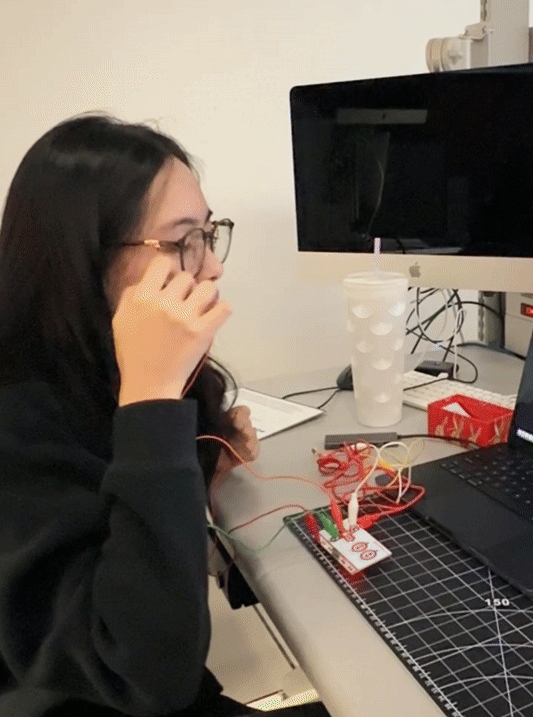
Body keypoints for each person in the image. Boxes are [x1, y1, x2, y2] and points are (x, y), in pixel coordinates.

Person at [0, 115, 329, 716]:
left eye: (209, 232)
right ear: (82, 259)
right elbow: (148, 674)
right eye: (182, 241)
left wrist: (199, 457)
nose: (212, 265)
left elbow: (118, 505)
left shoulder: (97, 368)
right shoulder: (19, 416)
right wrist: (153, 397)